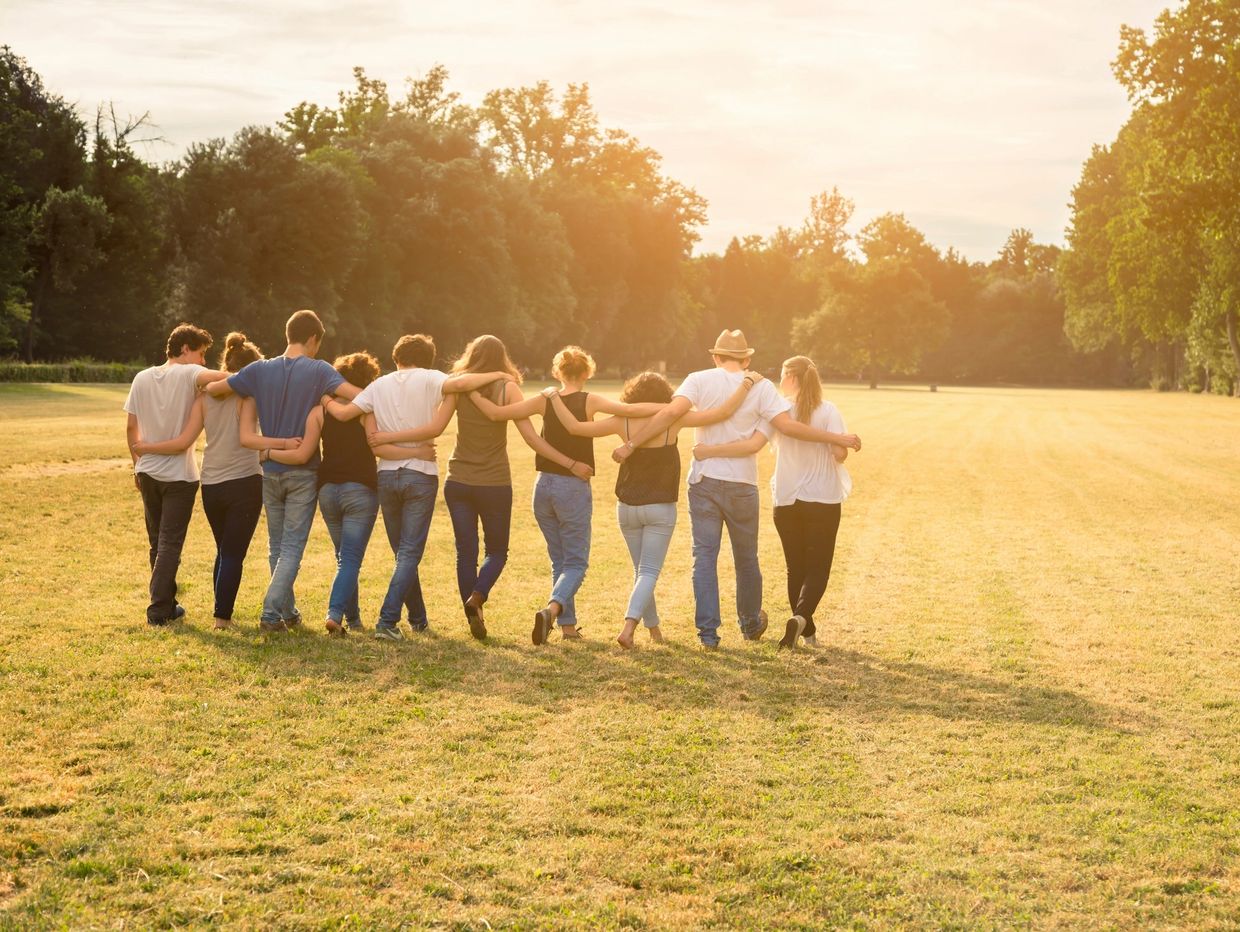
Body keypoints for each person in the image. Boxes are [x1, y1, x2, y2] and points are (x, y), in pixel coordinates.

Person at [612, 329, 860, 650]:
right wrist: (838, 438)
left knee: (704, 558)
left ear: (715, 356)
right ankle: (750, 624)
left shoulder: (698, 379)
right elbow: (784, 428)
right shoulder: (763, 388)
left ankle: (708, 634)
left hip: (703, 482)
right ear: (747, 359)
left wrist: (631, 444)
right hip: (742, 484)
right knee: (746, 559)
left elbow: (671, 412)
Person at [371, 334, 591, 640]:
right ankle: (477, 598)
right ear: (503, 358)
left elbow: (437, 425)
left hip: (458, 478)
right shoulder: (507, 387)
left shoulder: (460, 385)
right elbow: (530, 437)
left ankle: (475, 612)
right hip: (494, 482)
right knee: (497, 551)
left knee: (465, 553)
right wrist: (569, 462)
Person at [545, 370, 759, 648]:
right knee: (647, 572)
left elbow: (574, 427)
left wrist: (552, 396)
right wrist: (746, 383)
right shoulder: (676, 419)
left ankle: (654, 629)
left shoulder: (621, 420)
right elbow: (721, 413)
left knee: (640, 571)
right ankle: (627, 628)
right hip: (660, 508)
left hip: (627, 507)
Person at [468, 345, 662, 645]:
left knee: (559, 559)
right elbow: (632, 410)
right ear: (587, 372)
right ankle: (552, 610)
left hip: (543, 486)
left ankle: (568, 628)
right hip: (572, 487)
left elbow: (496, 413)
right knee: (576, 563)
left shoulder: (544, 400)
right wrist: (671, 409)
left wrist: (474, 393)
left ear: (557, 372)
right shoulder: (590, 400)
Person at [319, 334, 489, 641]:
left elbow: (344, 414)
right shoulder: (431, 378)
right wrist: (501, 373)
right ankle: (387, 621)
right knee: (409, 554)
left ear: (396, 357)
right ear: (428, 358)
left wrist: (326, 399)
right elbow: (462, 384)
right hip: (420, 474)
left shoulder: (377, 385)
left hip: (386, 475)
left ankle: (419, 620)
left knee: (403, 554)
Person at [209, 309, 359, 633]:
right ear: (313, 339)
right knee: (291, 547)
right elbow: (357, 396)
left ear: (287, 334)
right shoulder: (320, 369)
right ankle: (269, 614)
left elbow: (218, 389)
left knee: (276, 546)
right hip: (304, 472)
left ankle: (288, 613)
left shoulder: (259, 370)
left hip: (269, 470)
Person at [692, 356, 852, 650]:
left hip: (787, 499)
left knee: (796, 567)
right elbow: (839, 454)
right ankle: (802, 617)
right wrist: (841, 445)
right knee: (818, 568)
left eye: (782, 375)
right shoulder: (829, 411)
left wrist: (710, 450)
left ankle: (806, 630)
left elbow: (753, 444)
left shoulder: (776, 411)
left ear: (792, 377)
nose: (779, 381)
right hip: (823, 499)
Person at [253, 352, 399, 637]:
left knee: (343, 556)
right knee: (351, 558)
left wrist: (268, 453)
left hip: (328, 490)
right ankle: (334, 615)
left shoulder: (319, 411)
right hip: (360, 490)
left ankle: (353, 619)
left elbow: (304, 453)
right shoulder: (366, 410)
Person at [123, 323, 229, 626]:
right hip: (179, 477)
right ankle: (158, 610)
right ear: (185, 349)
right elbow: (228, 378)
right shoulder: (189, 374)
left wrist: (137, 464)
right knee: (169, 544)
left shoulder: (141, 377)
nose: (203, 362)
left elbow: (132, 429)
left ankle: (167, 605)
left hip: (148, 473)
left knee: (157, 542)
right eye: (201, 353)